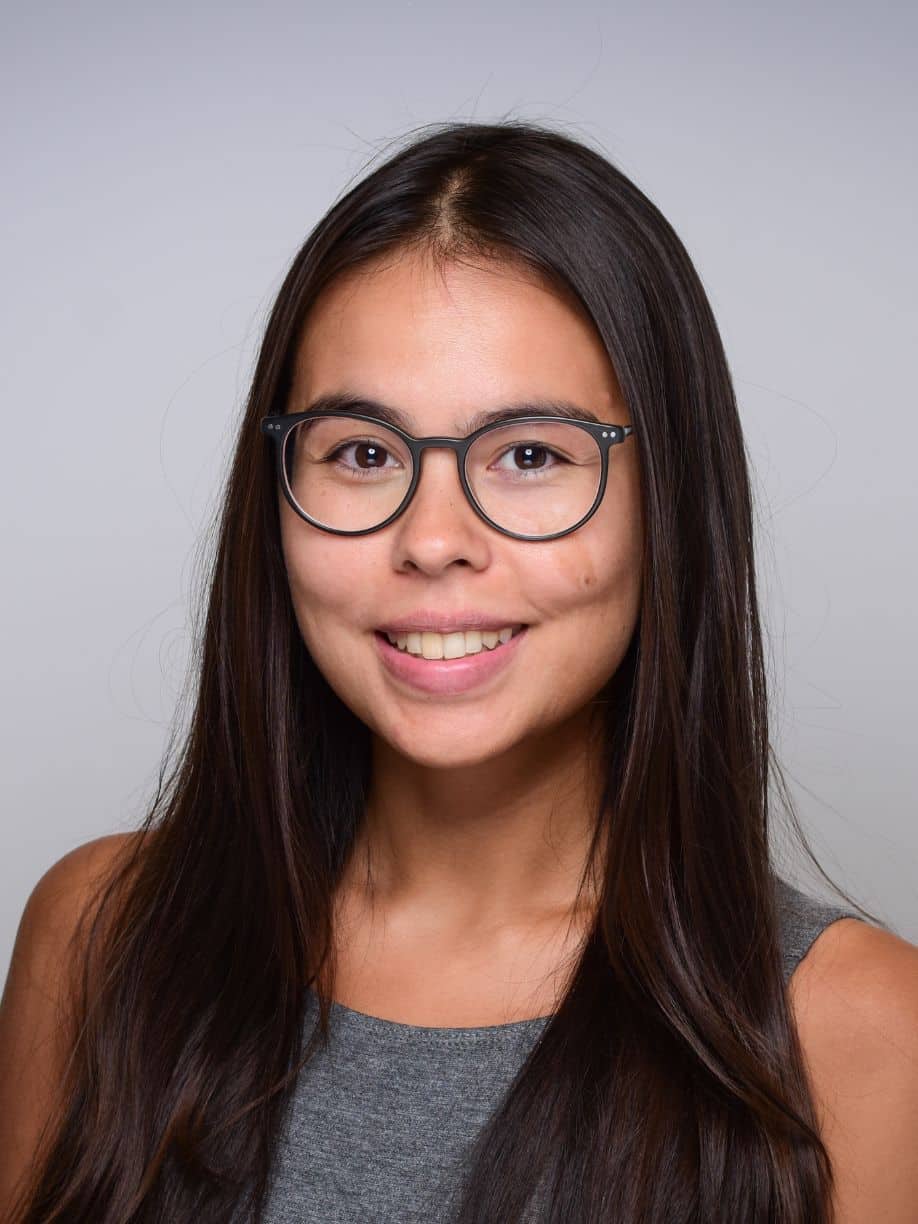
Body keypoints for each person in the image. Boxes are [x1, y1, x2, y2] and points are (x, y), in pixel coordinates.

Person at [1, 120, 916, 1224]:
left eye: (530, 454)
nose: (434, 539)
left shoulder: (858, 1031)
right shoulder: (102, 938)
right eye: (363, 452)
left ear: (669, 504)